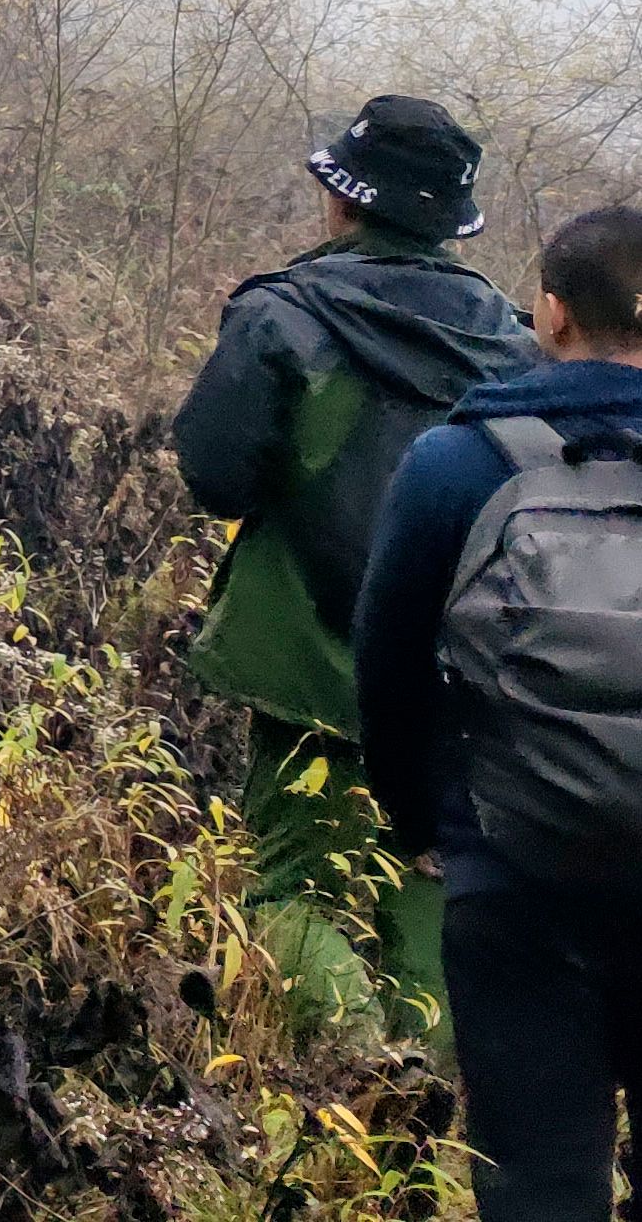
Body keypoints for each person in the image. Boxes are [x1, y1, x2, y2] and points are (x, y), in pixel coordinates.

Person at [170, 94, 533, 1027]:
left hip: (308, 659)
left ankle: (362, 1076)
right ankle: (422, 1136)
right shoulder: (519, 347)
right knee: (430, 896)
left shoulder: (282, 318)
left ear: (344, 201)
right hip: (463, 670)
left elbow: (216, 477)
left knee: (289, 891)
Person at [361, 201, 642, 1219]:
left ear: (552, 310)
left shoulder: (458, 462)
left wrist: (415, 820)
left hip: (512, 871)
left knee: (535, 1180)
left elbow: (385, 662)